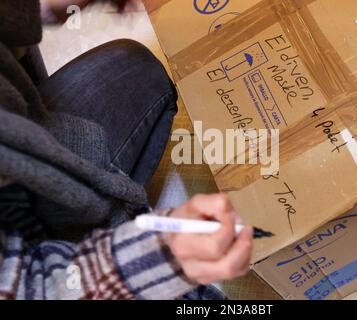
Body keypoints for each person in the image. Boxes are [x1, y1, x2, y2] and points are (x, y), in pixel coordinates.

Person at [0, 0, 253, 299]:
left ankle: (116, 206)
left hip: (28, 151)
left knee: (136, 67)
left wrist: (36, 5)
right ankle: (107, 226)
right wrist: (147, 260)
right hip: (36, 267)